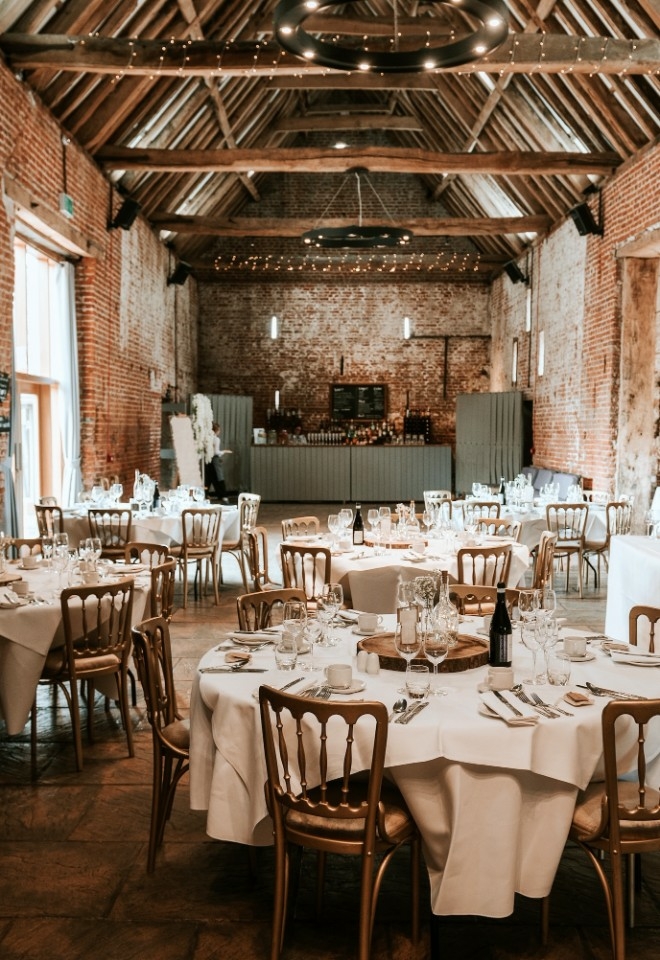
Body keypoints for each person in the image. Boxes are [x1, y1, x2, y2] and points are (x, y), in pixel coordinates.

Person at [205, 422, 232, 503]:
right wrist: (224, 451)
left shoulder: (207, 439)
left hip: (208, 460)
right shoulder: (216, 439)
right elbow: (216, 452)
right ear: (216, 430)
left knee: (208, 479)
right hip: (215, 460)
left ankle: (205, 495)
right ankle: (224, 496)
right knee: (219, 477)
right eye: (219, 430)